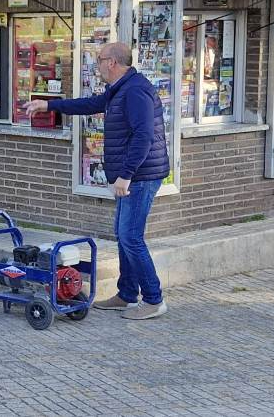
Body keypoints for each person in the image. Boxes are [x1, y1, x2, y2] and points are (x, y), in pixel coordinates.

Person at [25, 42, 170, 320]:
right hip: (131, 177)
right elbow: (90, 104)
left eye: (99, 60)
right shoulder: (119, 89)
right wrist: (49, 104)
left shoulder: (136, 90)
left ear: (112, 62)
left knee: (131, 237)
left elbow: (144, 137)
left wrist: (126, 175)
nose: (97, 65)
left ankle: (153, 299)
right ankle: (127, 294)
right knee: (123, 235)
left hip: (140, 177)